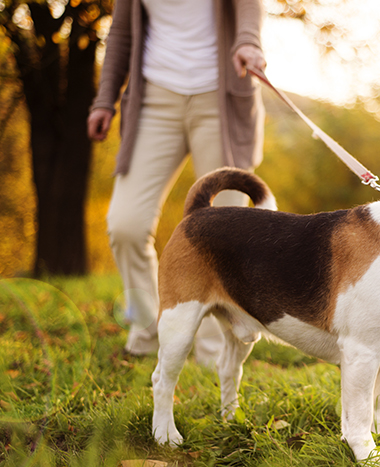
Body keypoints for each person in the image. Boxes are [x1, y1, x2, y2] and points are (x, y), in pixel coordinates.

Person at [87, 0, 266, 366]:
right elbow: (121, 33)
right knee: (126, 225)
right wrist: (105, 99)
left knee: (226, 232)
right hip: (154, 100)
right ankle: (147, 327)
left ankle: (212, 352)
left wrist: (248, 40)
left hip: (219, 98)